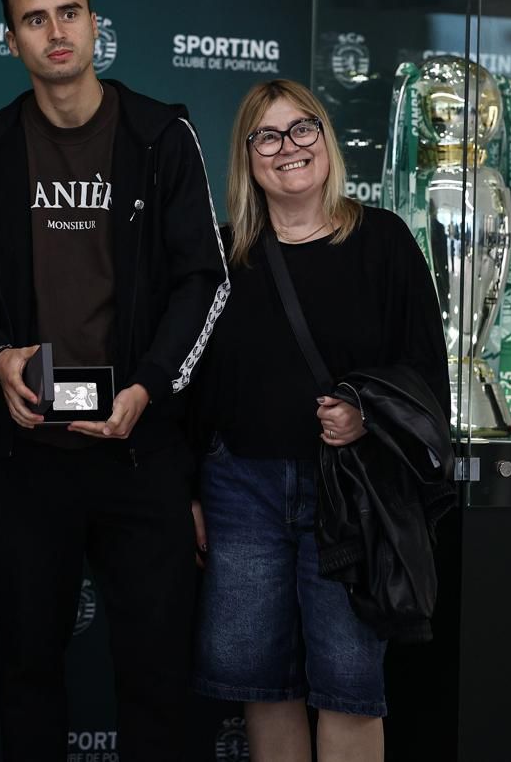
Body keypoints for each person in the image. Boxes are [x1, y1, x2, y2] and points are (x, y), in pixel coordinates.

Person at [0, 0, 229, 760]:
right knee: (28, 668)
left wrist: (148, 388)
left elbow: (202, 282)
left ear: (95, 23)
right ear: (11, 40)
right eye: (35, 19)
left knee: (156, 672)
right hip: (24, 458)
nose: (55, 32)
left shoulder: (160, 136)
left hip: (140, 454)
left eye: (69, 12)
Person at [188, 79, 447, 762]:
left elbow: (425, 370)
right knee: (260, 683)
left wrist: (367, 414)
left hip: (353, 495)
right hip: (240, 490)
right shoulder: (223, 255)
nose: (289, 148)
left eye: (302, 129)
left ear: (325, 138)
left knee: (350, 683)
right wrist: (187, 490)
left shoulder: (384, 241)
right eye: (268, 135)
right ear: (248, 155)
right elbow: (193, 384)